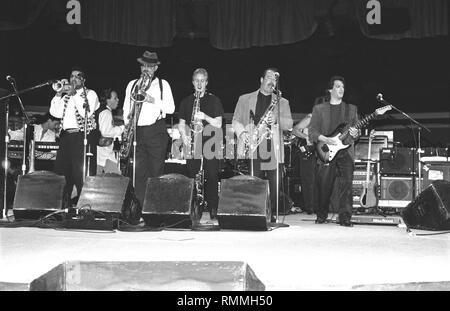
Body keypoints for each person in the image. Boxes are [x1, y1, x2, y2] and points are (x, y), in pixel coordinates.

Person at [232, 68, 293, 220]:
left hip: (273, 147)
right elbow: (235, 120)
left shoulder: (282, 102)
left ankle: (271, 215)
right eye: (269, 77)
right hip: (253, 146)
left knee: (274, 184)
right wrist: (243, 134)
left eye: (275, 79)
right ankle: (254, 213)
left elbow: (290, 124)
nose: (272, 81)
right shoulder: (244, 99)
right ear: (261, 79)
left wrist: (277, 120)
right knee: (254, 182)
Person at [123, 51, 175, 206]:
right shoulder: (132, 84)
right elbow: (126, 108)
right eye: (144, 65)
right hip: (137, 131)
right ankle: (138, 208)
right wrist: (127, 128)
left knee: (155, 173)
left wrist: (151, 99)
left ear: (155, 69)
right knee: (139, 173)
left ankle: (154, 208)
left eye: (150, 66)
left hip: (156, 131)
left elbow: (171, 108)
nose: (147, 69)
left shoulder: (162, 84)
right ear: (141, 67)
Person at [308, 76, 360, 227]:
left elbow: (357, 129)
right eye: (338, 86)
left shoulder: (351, 109)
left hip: (346, 150)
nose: (341, 89)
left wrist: (356, 134)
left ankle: (345, 217)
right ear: (330, 90)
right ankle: (321, 214)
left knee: (347, 185)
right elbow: (312, 131)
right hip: (326, 150)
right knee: (324, 185)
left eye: (343, 87)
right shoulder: (319, 109)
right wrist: (324, 138)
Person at [178, 68, 224, 220]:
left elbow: (218, 123)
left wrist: (204, 116)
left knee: (211, 175)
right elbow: (181, 123)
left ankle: (213, 209)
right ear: (192, 82)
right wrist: (184, 135)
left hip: (210, 141)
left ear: (206, 83)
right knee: (192, 175)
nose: (199, 83)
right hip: (193, 141)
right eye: (196, 80)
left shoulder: (214, 100)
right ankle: (193, 208)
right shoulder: (186, 101)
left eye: (202, 81)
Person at [50, 67, 99, 205]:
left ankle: (84, 207)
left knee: (80, 175)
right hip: (66, 137)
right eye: (72, 76)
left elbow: (86, 112)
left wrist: (75, 94)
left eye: (78, 76)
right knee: (61, 174)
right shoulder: (66, 96)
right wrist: (58, 94)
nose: (73, 78)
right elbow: (55, 112)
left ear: (83, 80)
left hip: (81, 137)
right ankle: (61, 207)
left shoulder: (90, 94)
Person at [95, 89, 125, 174]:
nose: (118, 100)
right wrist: (122, 128)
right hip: (104, 154)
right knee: (115, 181)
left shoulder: (101, 111)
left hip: (101, 155)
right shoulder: (106, 112)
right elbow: (106, 132)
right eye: (115, 98)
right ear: (107, 100)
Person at [292, 113, 317, 214]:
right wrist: (306, 136)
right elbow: (295, 130)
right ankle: (310, 207)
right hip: (308, 150)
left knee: (319, 178)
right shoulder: (311, 117)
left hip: (321, 150)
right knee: (308, 178)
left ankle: (319, 205)